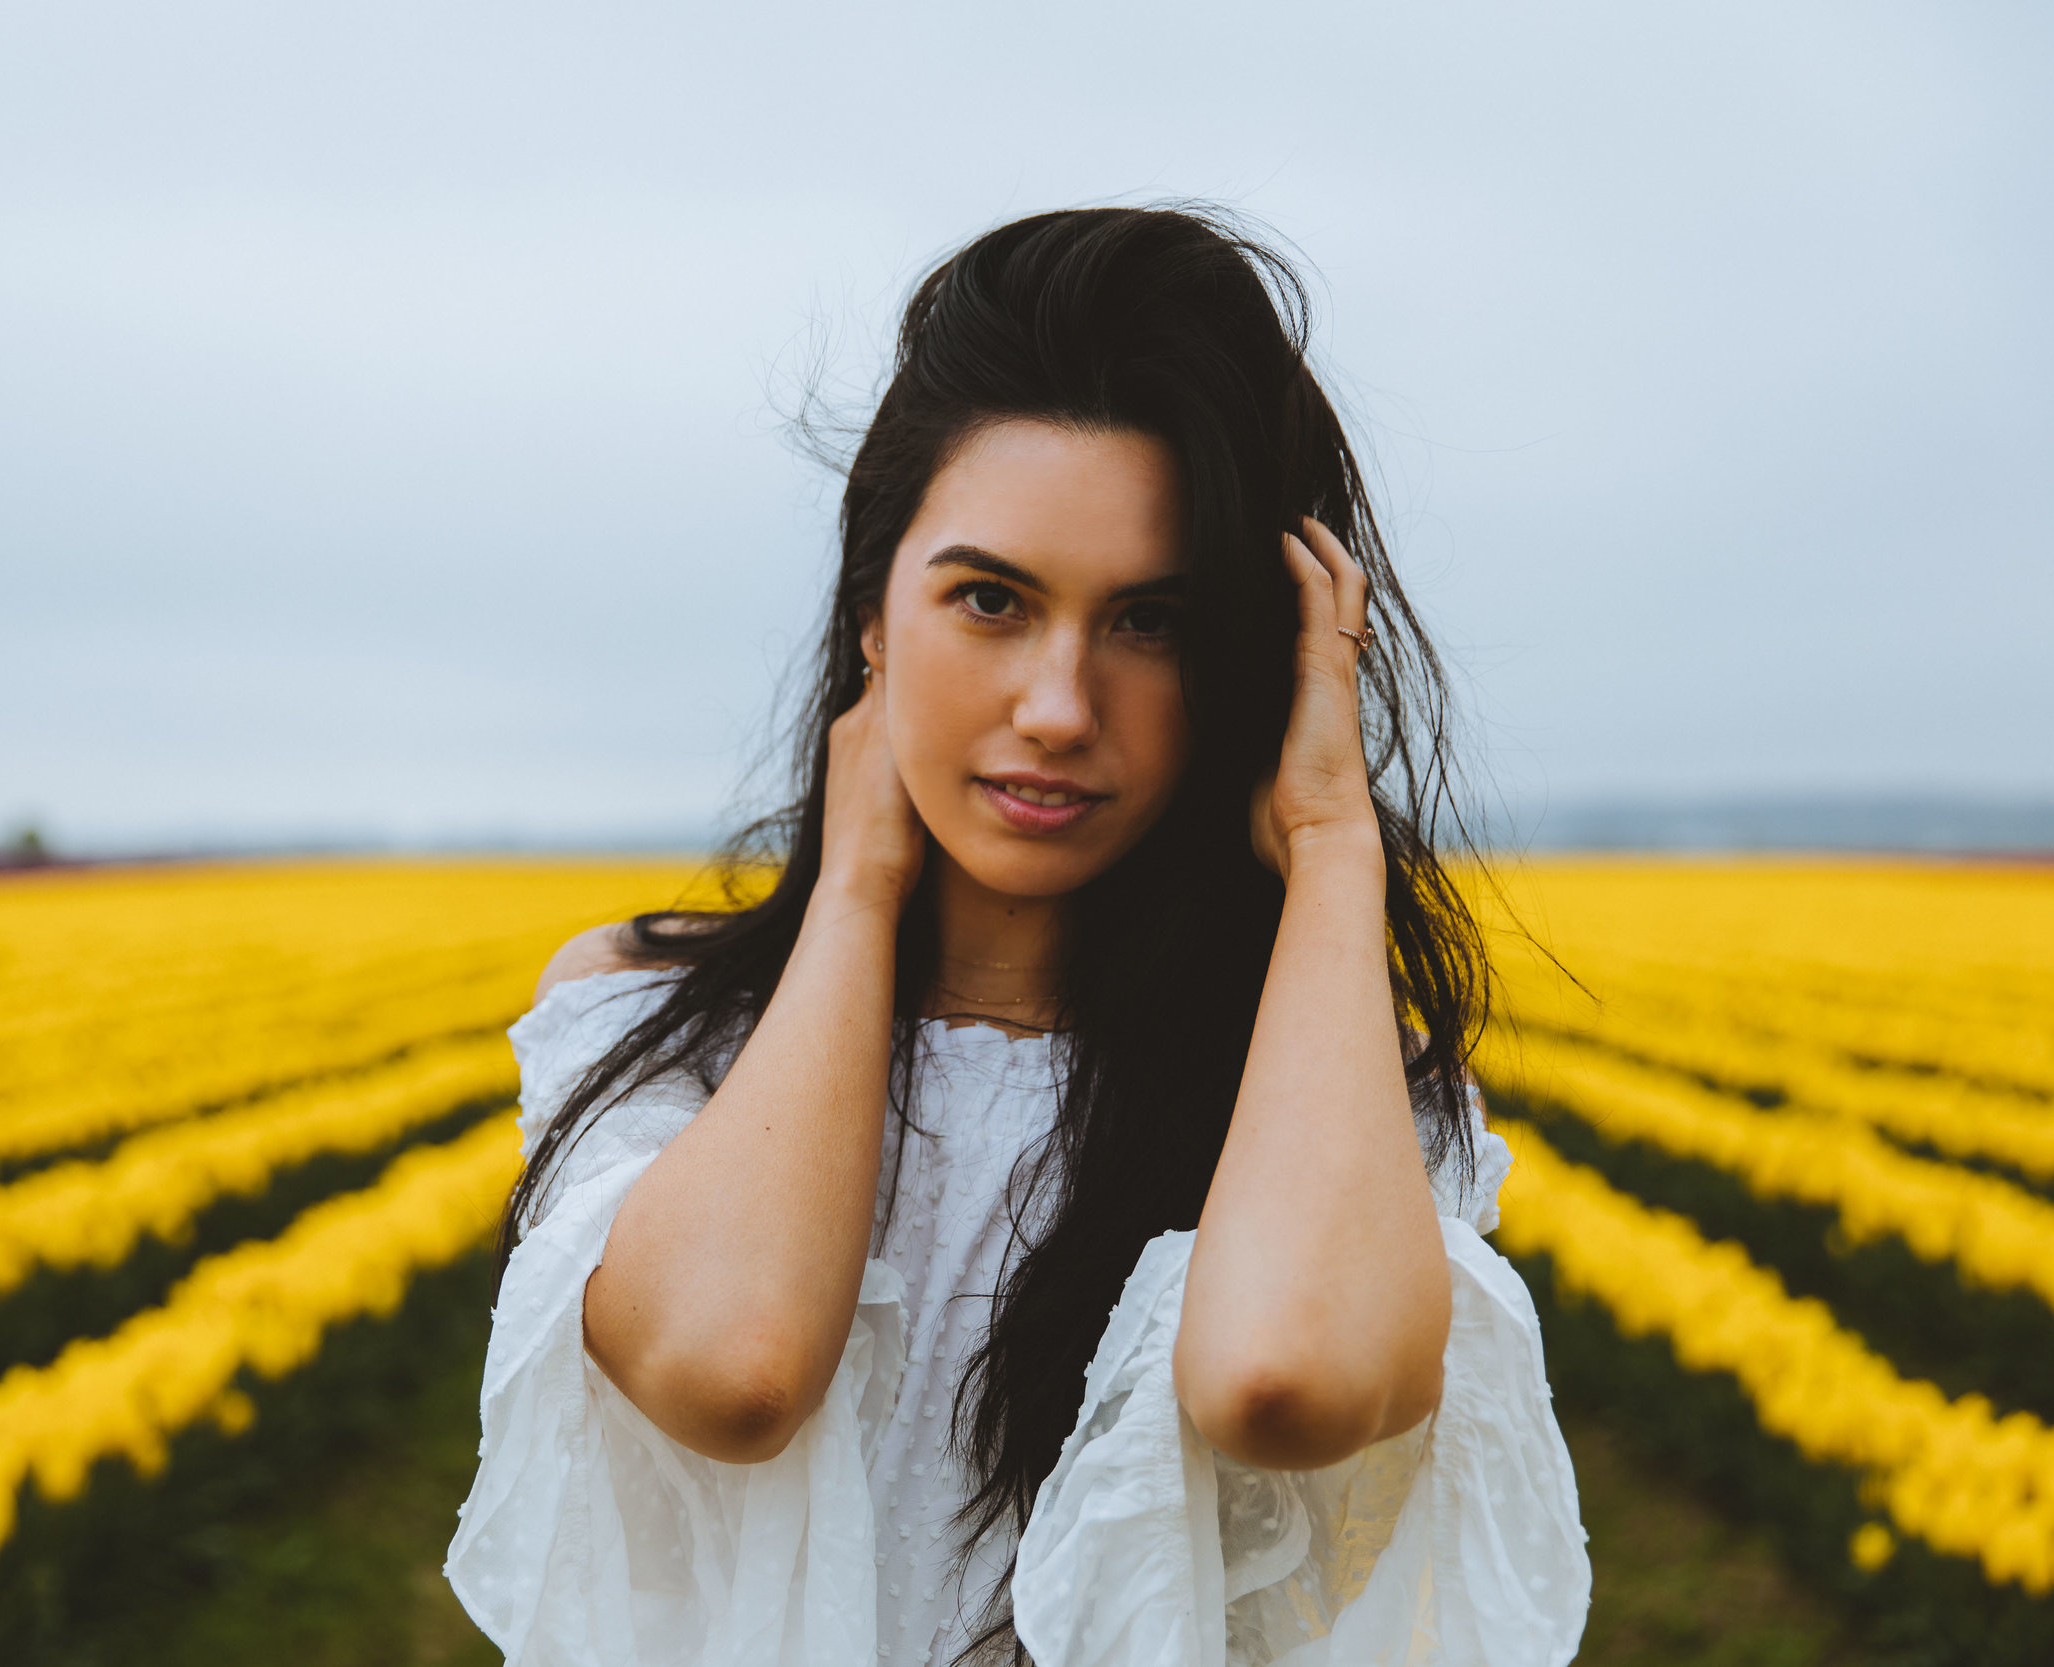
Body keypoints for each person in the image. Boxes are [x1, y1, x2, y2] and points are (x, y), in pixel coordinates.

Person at [445, 206, 1587, 1666]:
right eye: (990, 600)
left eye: (1152, 623)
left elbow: (1285, 1383)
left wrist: (1328, 845)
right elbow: (733, 1369)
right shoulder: (654, 1012)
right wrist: (855, 887)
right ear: (873, 612)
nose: (1057, 708)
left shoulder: (1324, 1083)